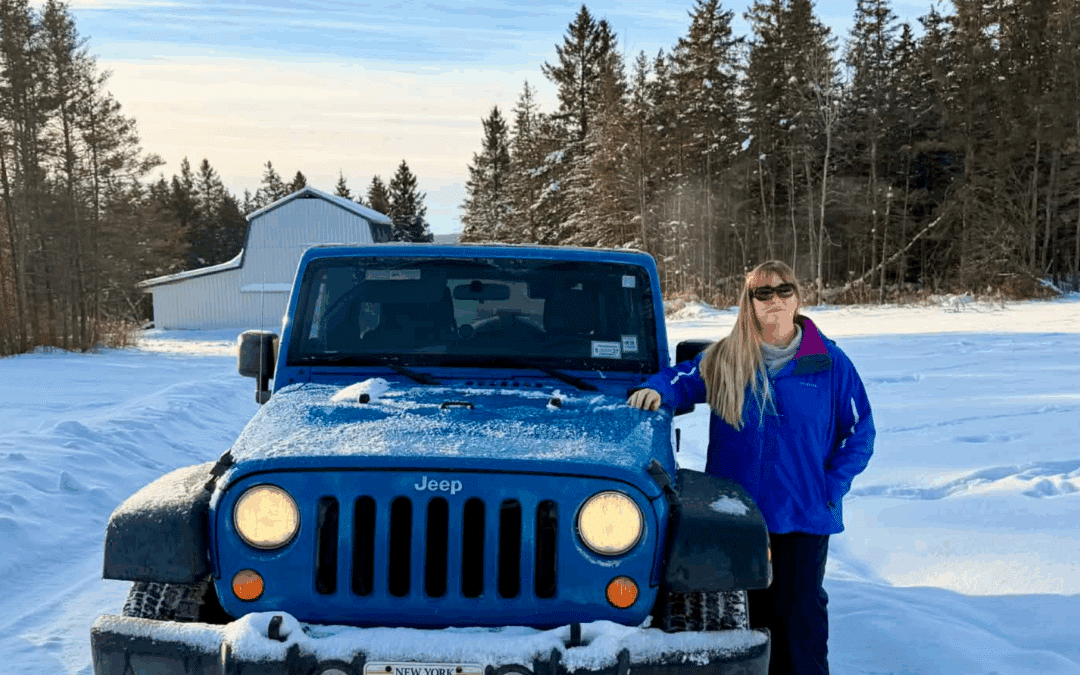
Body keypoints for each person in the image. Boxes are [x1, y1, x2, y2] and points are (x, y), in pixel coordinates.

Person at [628, 260, 875, 675]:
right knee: (741, 620)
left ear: (797, 297)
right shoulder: (728, 357)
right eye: (763, 293)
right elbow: (682, 378)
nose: (774, 300)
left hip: (803, 515)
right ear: (750, 303)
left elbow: (859, 433)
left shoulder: (830, 363)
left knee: (799, 619)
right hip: (738, 517)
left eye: (784, 290)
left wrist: (829, 487)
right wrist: (655, 390)